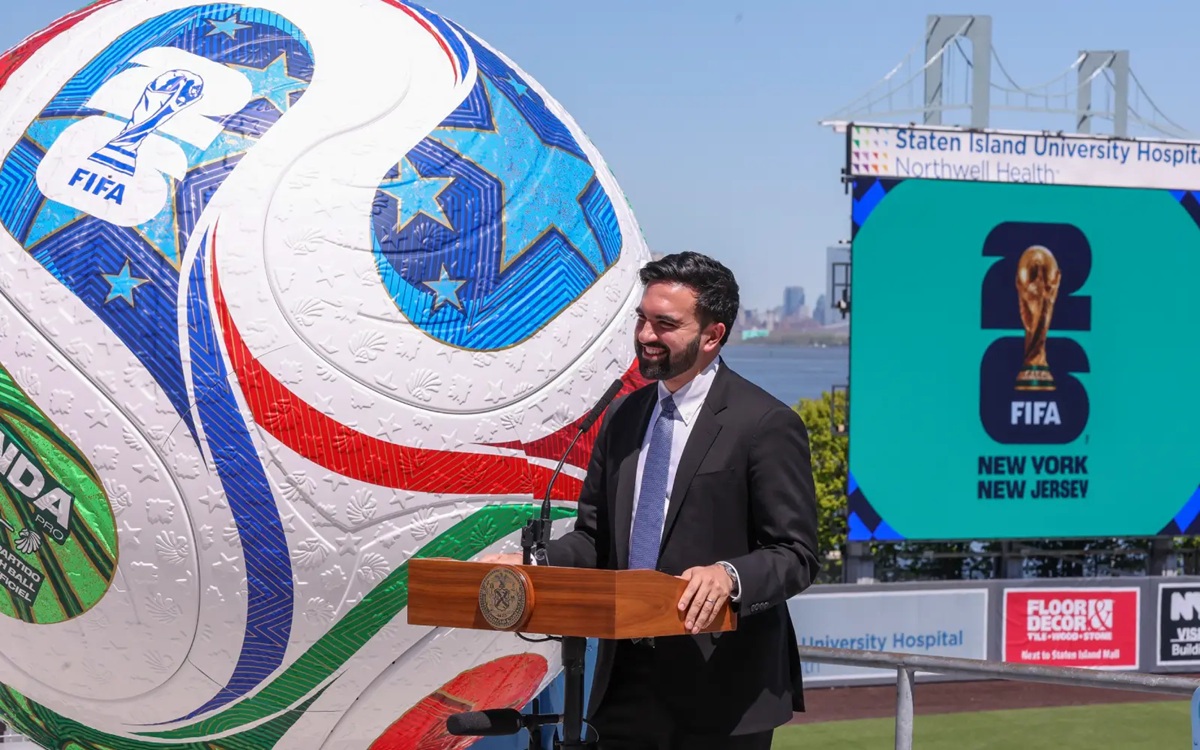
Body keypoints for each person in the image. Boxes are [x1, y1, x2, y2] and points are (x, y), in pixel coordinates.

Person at [482, 251, 820, 749]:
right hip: (623, 686)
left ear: (713, 335)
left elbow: (796, 554)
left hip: (723, 692)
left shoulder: (765, 424)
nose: (645, 335)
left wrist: (728, 575)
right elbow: (597, 541)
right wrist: (533, 562)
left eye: (666, 324)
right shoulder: (622, 417)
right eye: (642, 319)